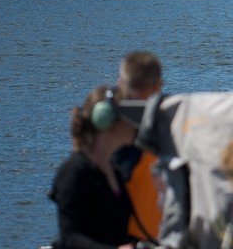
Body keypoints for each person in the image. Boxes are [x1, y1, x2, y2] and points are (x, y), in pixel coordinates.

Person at [49, 85, 139, 249]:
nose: (135, 125)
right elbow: (70, 238)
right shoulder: (74, 172)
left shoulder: (113, 170)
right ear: (106, 120)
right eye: (128, 117)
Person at [117, 52, 164, 244]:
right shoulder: (171, 129)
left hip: (120, 237)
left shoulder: (109, 135)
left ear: (120, 84)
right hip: (159, 236)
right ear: (158, 86)